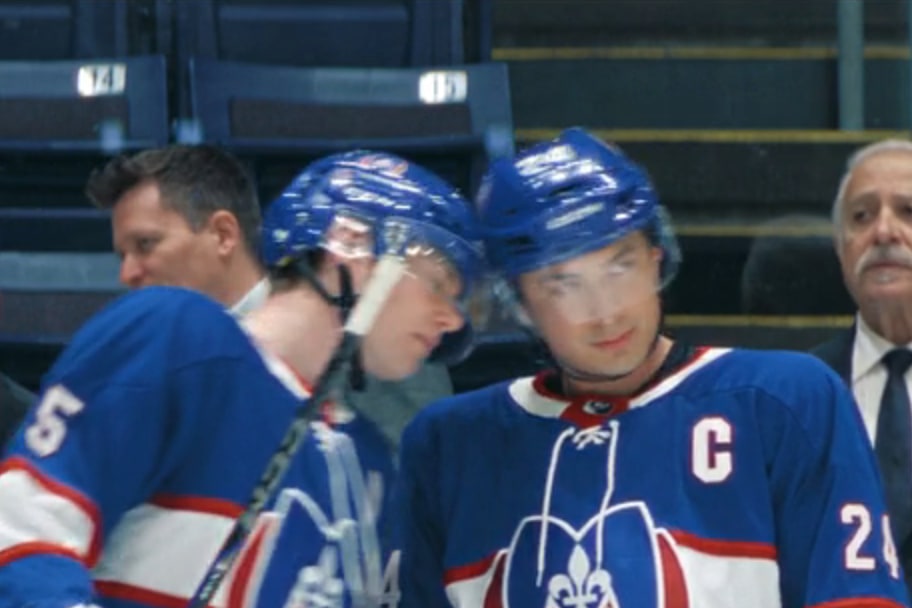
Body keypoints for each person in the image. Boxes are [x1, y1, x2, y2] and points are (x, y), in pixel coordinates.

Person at [396, 128, 909, 608]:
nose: (606, 310)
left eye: (620, 266)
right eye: (563, 284)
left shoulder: (784, 401)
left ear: (657, 259)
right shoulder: (450, 446)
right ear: (521, 304)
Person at [0, 150, 484, 608]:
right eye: (437, 284)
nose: (452, 319)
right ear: (352, 251)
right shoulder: (175, 336)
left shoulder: (367, 456)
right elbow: (23, 523)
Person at [87, 143, 455, 448]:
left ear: (223, 235)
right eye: (123, 255)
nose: (127, 274)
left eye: (146, 245)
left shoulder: (380, 340)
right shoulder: (139, 366)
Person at [812, 138, 912, 596]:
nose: (885, 232)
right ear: (840, 248)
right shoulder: (799, 394)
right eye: (862, 216)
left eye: (909, 211)